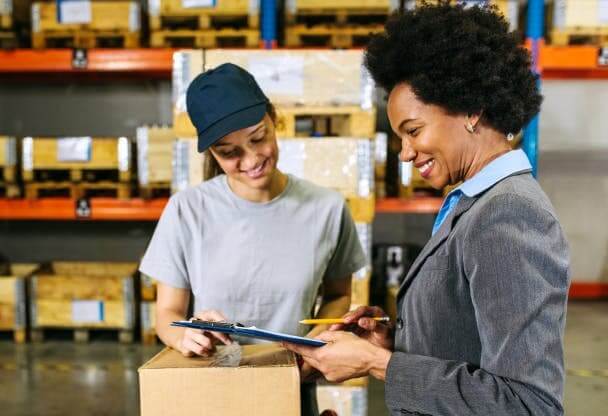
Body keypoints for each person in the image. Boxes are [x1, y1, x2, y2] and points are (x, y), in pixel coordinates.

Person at [283, 4, 570, 415]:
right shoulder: (472, 204)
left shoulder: (508, 215)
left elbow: (528, 404)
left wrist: (379, 365)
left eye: (413, 131)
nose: (404, 153)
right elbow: (468, 342)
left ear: (472, 109)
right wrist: (394, 341)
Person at [139, 63, 367, 416]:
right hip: (213, 391)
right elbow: (167, 314)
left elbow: (338, 295)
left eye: (258, 138)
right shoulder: (187, 211)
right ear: (213, 154)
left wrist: (320, 342)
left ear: (274, 119)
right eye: (229, 153)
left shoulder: (327, 209)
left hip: (291, 388)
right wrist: (186, 335)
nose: (251, 160)